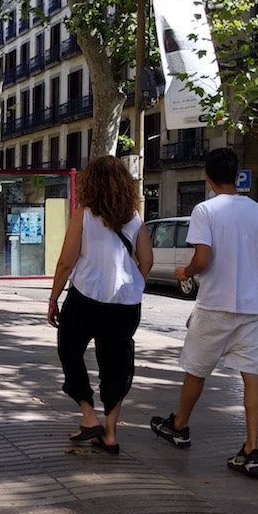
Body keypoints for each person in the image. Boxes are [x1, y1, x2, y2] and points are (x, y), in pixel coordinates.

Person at [149, 149, 258, 477]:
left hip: (214, 304)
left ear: (208, 178)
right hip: (250, 308)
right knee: (252, 375)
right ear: (237, 176)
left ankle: (179, 426)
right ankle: (251, 448)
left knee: (196, 369)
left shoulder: (205, 210)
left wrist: (186, 272)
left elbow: (203, 258)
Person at [46, 156, 153, 454]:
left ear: (90, 182)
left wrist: (54, 298)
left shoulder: (84, 214)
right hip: (125, 304)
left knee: (69, 350)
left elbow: (66, 262)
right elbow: (147, 260)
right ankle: (110, 434)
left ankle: (88, 414)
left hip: (85, 297)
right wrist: (134, 284)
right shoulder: (134, 217)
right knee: (116, 363)